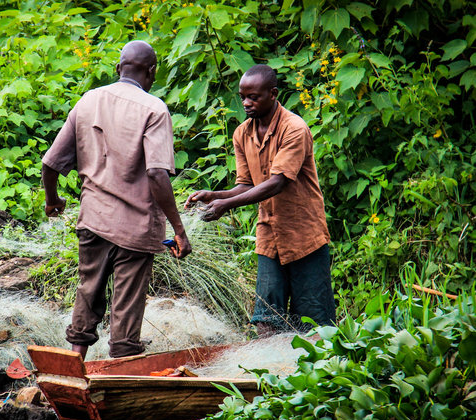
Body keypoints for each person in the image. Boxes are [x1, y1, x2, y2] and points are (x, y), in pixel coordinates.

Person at [41, 40, 192, 359]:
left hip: (93, 220)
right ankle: (121, 371)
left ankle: (75, 364)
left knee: (88, 292)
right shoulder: (154, 109)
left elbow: (50, 163)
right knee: (126, 308)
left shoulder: (88, 100)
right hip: (134, 230)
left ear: (118, 68)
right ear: (151, 72)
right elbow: (156, 174)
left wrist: (52, 200)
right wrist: (178, 229)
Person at [185, 64, 335, 336]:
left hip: (304, 235)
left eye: (254, 97)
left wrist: (226, 205)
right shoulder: (242, 133)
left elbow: (277, 182)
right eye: (243, 96)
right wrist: (215, 195)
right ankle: (271, 374)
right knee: (267, 318)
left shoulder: (294, 128)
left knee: (314, 322)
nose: (246, 103)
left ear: (273, 94)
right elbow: (246, 185)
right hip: (269, 236)